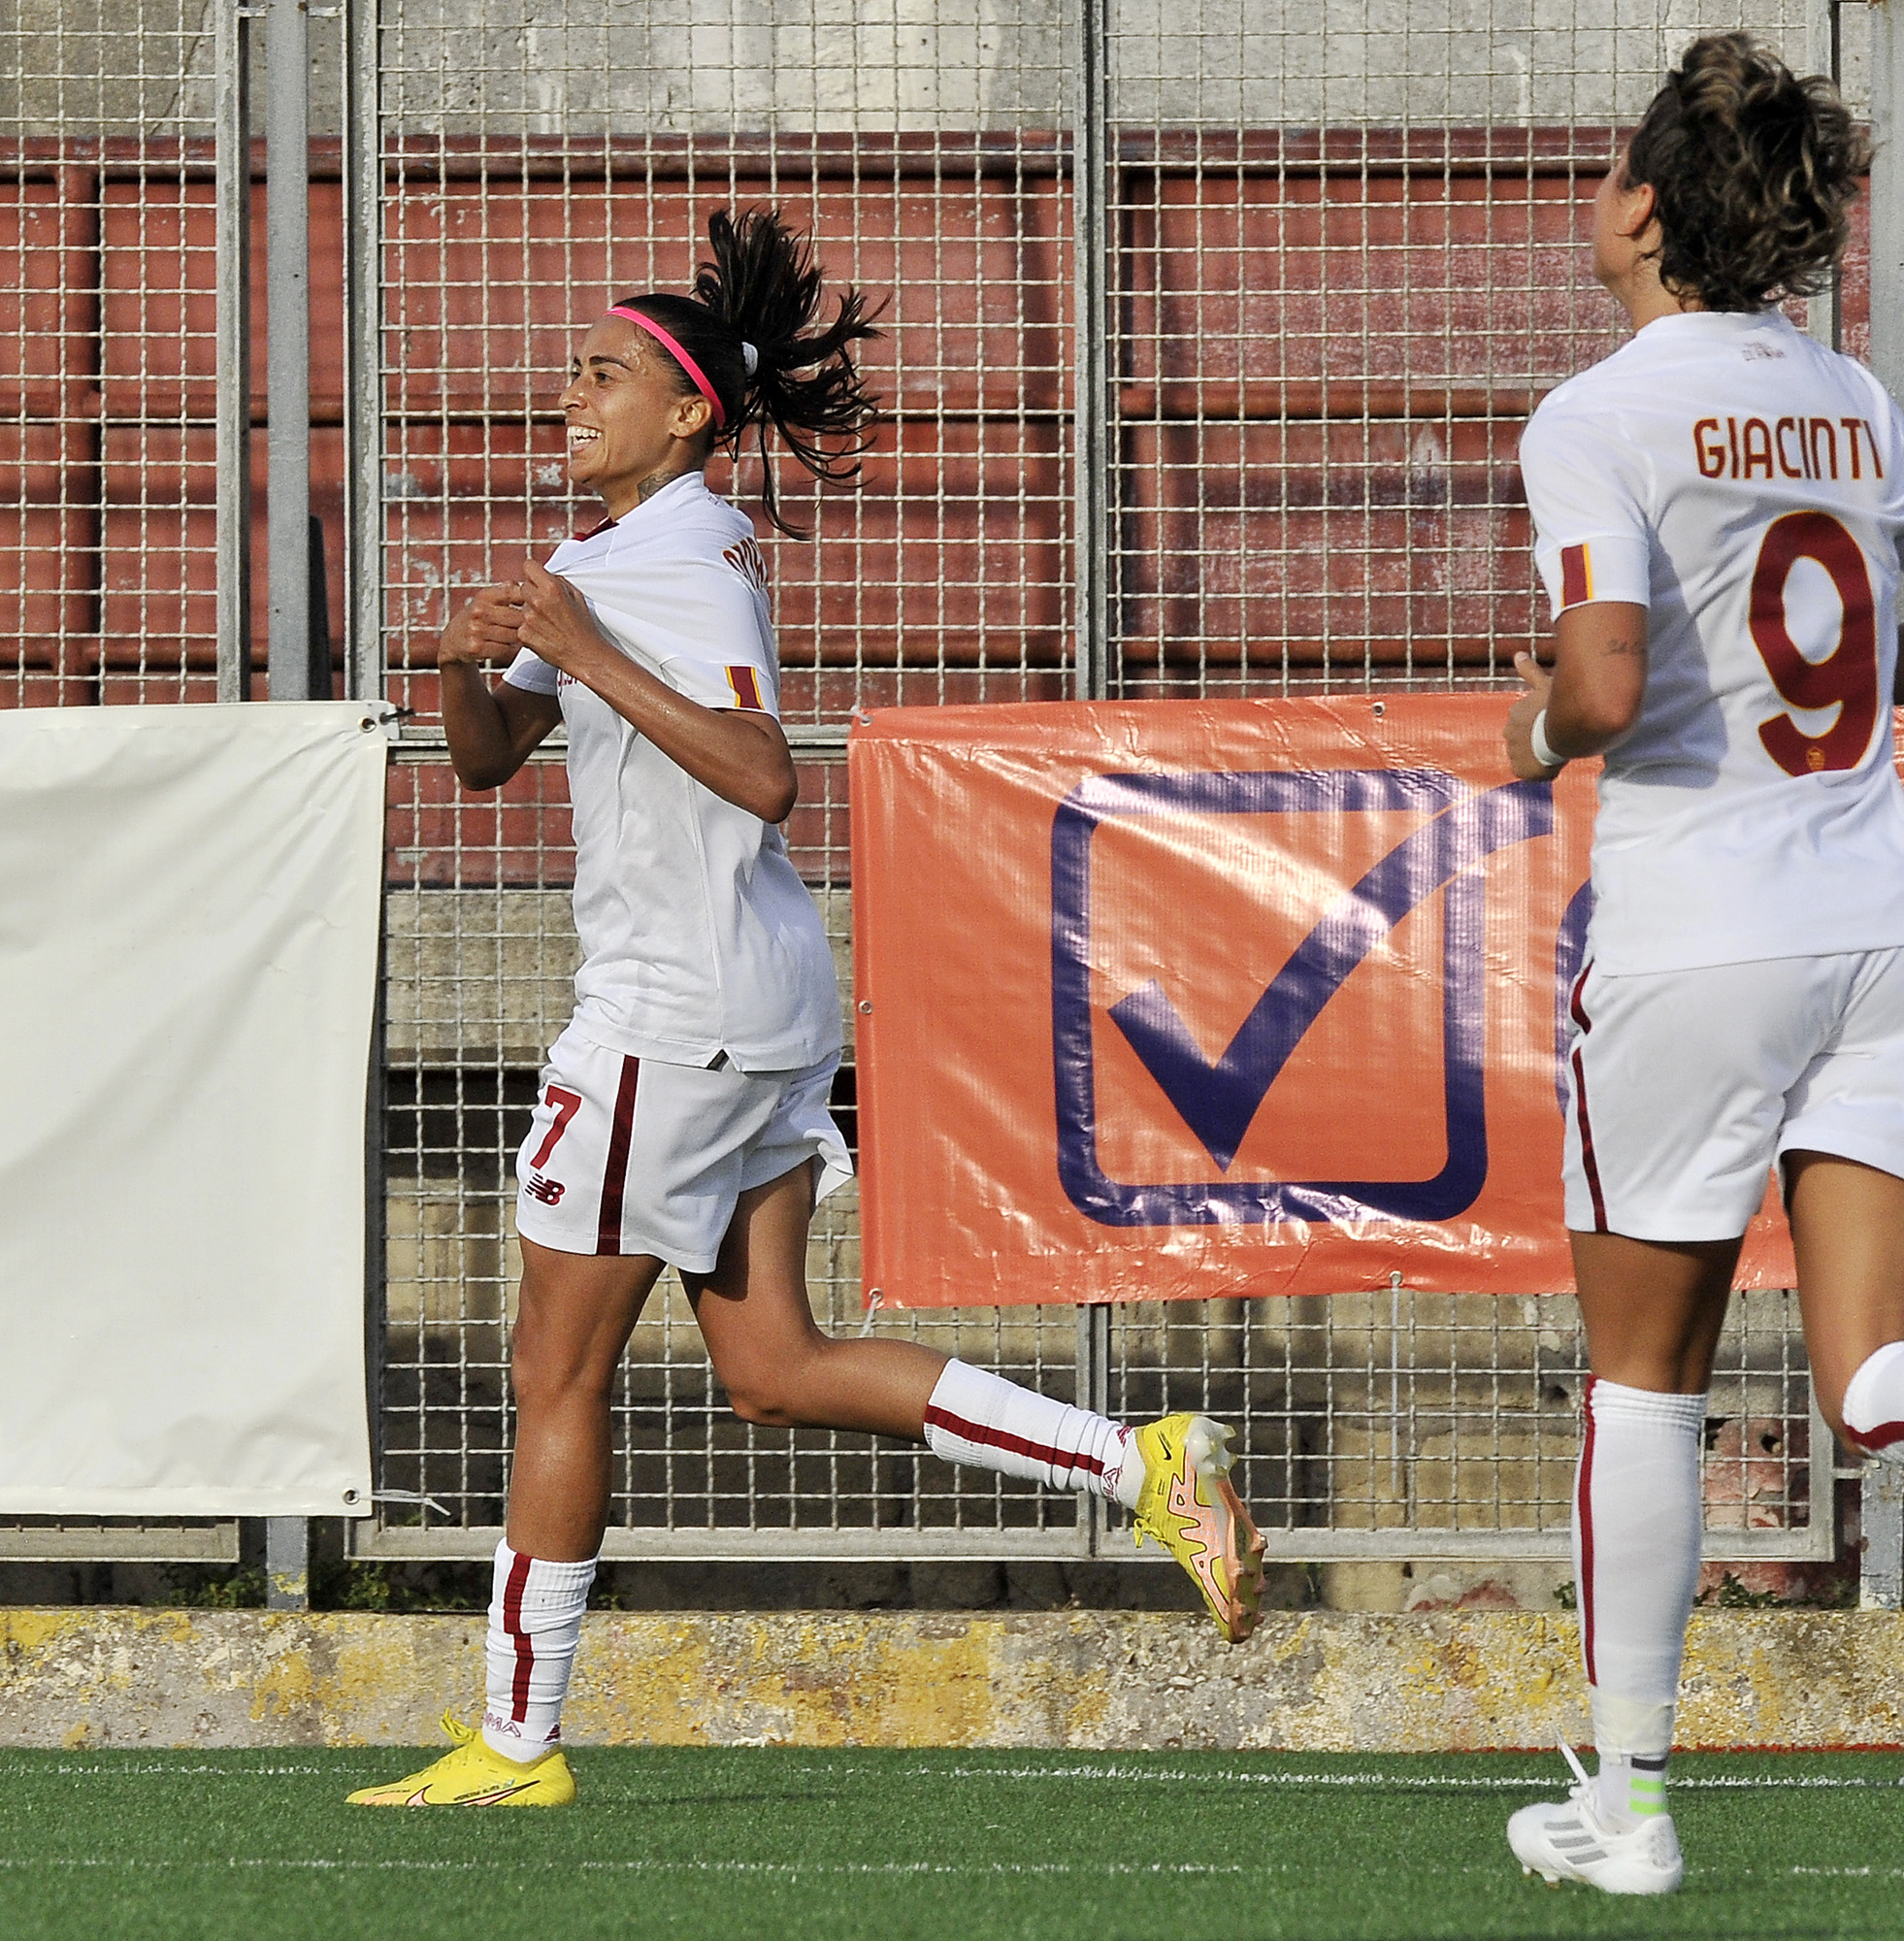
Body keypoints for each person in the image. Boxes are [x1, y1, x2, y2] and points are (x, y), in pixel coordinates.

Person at [350, 209, 1264, 1809]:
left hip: (668, 1013)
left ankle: (513, 1742)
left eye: (603, 375)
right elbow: (492, 760)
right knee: (773, 1361)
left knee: (553, 1371)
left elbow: (765, 777)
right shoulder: (609, 555)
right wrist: (463, 667)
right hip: (754, 1006)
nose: (567, 397)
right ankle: (1144, 1463)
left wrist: (578, 647)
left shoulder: (682, 554)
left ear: (691, 413)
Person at [1497, 36, 1904, 1893]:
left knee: (1644, 1384)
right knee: (1873, 1375)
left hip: (1700, 937)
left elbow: (1608, 684)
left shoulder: (1598, 409)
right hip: (1891, 928)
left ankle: (1627, 1808)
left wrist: (1537, 736)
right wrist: (1855, 690)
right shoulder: (1855, 399)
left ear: (1641, 207)